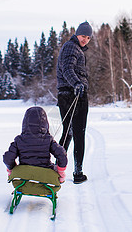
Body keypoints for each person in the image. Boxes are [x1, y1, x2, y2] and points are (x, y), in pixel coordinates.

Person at [56, 21, 92, 184]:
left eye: (88, 37)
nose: (85, 40)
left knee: (69, 132)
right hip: (74, 95)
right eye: (83, 36)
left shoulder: (75, 48)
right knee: (78, 133)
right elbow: (67, 69)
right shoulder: (72, 47)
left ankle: (58, 170)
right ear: (77, 34)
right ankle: (78, 173)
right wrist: (77, 84)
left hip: (68, 94)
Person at [3, 106, 68, 183]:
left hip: (24, 174)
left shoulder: (19, 140)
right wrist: (60, 171)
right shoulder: (48, 140)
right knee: (54, 169)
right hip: (45, 174)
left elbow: (8, 158)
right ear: (45, 123)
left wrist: (12, 169)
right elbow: (62, 155)